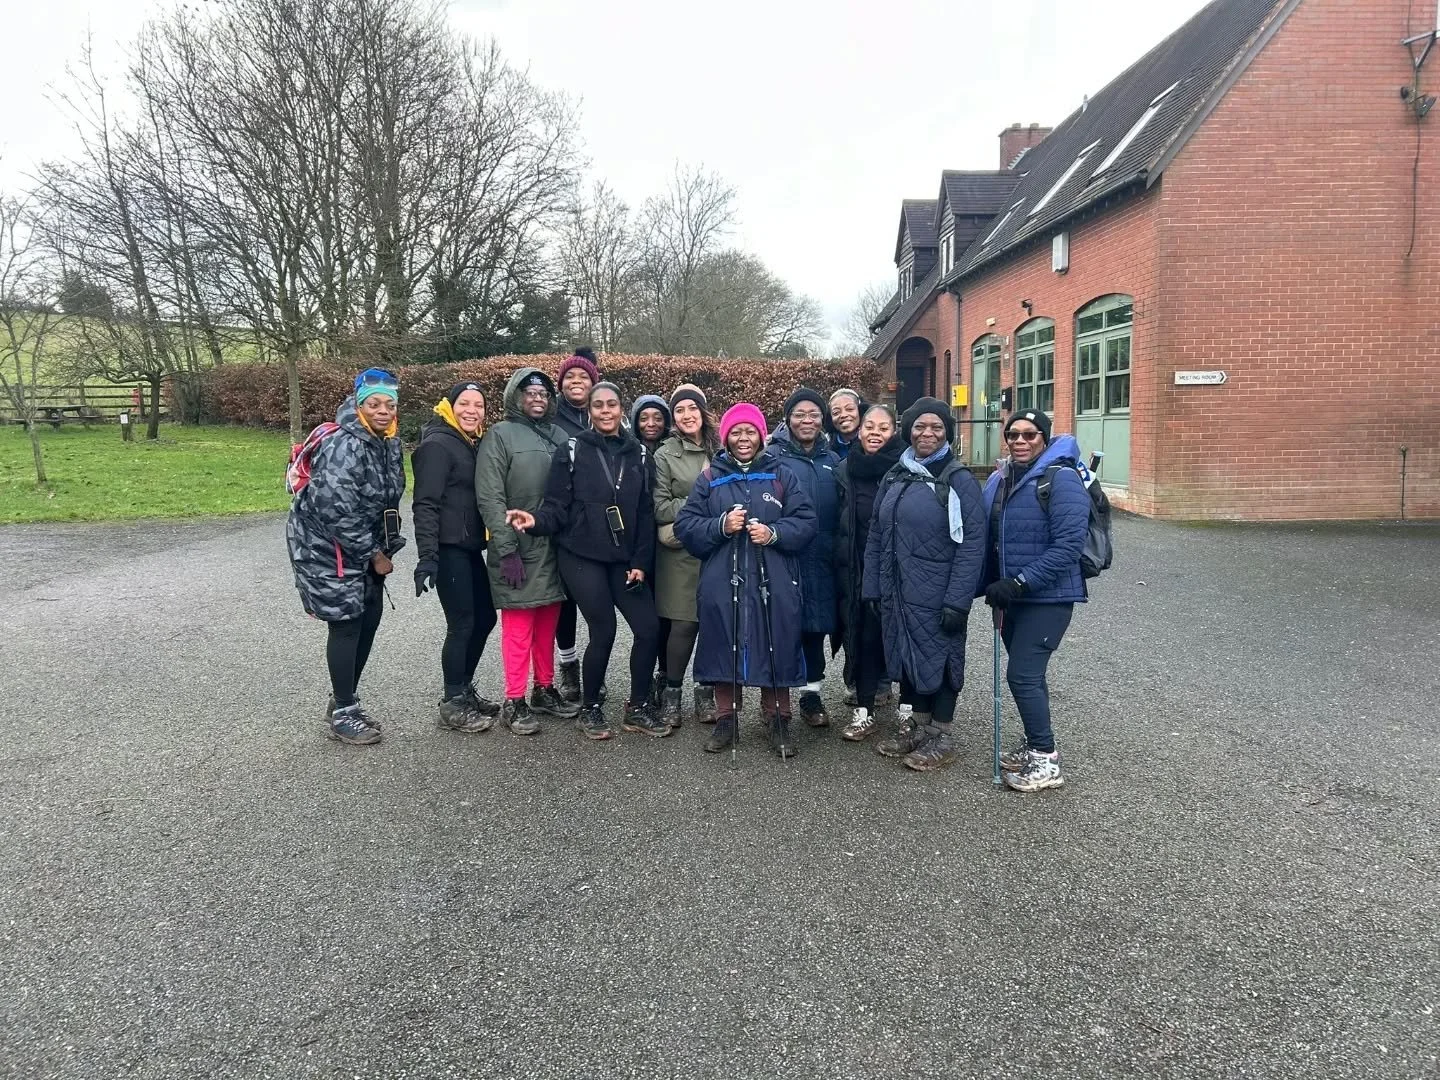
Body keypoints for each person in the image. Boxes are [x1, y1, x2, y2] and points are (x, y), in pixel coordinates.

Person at [505, 382, 669, 741]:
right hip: (581, 556)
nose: (606, 411)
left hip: (624, 558)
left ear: (621, 408)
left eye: (612, 404)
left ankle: (637, 707)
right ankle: (591, 707)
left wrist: (640, 561)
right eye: (598, 406)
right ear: (590, 411)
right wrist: (535, 522)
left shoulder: (639, 454)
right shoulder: (573, 449)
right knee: (604, 629)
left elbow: (645, 513)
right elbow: (555, 507)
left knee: (648, 629)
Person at [675, 402, 817, 758]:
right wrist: (720, 526)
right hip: (724, 579)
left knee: (777, 639)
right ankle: (727, 717)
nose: (743, 438)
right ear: (725, 437)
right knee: (726, 638)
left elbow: (806, 521)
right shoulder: (710, 477)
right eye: (735, 432)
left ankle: (778, 717)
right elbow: (686, 526)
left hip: (776, 578)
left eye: (749, 431)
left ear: (760, 435)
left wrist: (774, 532)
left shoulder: (782, 474)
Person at [863, 396, 987, 772]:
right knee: (908, 654)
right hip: (898, 587)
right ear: (909, 431)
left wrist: (959, 600)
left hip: (940, 590)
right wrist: (872, 585)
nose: (927, 433)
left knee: (943, 658)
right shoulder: (897, 474)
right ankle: (918, 728)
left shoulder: (958, 480)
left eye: (936, 427)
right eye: (919, 426)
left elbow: (973, 544)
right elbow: (876, 533)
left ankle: (942, 734)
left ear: (947, 433)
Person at [286, 368, 406, 746]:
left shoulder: (387, 441)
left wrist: (384, 544)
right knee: (347, 623)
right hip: (326, 548)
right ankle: (343, 712)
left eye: (389, 404)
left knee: (369, 616)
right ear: (359, 403)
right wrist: (372, 554)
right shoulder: (346, 443)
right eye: (374, 403)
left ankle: (344, 700)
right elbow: (333, 508)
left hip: (364, 545)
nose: (383, 410)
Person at [980, 409, 1089, 792]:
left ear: (1044, 438)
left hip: (1048, 598)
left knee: (1022, 675)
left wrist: (1021, 582)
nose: (1020, 441)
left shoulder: (1061, 479)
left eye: (1030, 434)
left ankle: (1046, 760)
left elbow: (1068, 547)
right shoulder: (1003, 478)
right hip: (1013, 598)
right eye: (1013, 435)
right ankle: (1033, 745)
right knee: (1029, 676)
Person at [473, 367, 580, 734]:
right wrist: (505, 549)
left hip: (555, 547)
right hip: (518, 547)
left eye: (543, 393)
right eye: (529, 392)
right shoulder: (500, 436)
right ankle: (514, 698)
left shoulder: (559, 435)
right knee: (519, 625)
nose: (537, 398)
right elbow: (490, 496)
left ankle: (544, 687)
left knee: (548, 622)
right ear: (515, 397)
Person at [412, 381, 501, 734]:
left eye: (478, 405)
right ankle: (452, 701)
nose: (472, 410)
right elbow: (425, 503)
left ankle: (463, 689)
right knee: (463, 623)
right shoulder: (437, 445)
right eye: (464, 403)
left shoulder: (467, 443)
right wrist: (428, 557)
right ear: (449, 406)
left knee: (484, 619)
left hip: (468, 547)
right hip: (448, 549)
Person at [768, 387, 840, 728]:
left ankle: (811, 695)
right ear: (788, 420)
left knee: (815, 629)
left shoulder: (833, 460)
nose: (807, 420)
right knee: (782, 627)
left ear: (822, 420)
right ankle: (777, 701)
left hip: (824, 557)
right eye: (799, 414)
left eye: (813, 414)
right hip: (786, 554)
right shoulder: (773, 458)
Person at [833, 404, 904, 741]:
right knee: (864, 638)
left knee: (901, 640)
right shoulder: (845, 469)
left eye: (884, 427)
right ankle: (864, 711)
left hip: (899, 570)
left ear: (894, 432)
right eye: (869, 426)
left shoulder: (907, 468)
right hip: (858, 567)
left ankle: (908, 712)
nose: (875, 432)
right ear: (859, 430)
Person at [652, 384, 719, 728]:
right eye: (679, 410)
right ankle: (672, 693)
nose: (687, 415)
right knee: (683, 624)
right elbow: (660, 506)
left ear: (703, 411)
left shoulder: (722, 448)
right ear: (673, 418)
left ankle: (705, 692)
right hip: (680, 553)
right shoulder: (664, 455)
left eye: (692, 408)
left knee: (712, 624)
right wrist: (701, 503)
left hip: (719, 550)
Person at [551, 347, 601, 702]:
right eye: (570, 376)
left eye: (584, 376)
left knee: (598, 603)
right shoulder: (551, 420)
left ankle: (594, 668)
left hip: (597, 526)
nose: (577, 381)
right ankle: (568, 666)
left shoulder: (605, 415)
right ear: (562, 384)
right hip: (562, 524)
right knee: (565, 601)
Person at [630, 393, 672, 708]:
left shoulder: (671, 451)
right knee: (648, 621)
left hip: (670, 547)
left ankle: (665, 674)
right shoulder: (629, 452)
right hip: (638, 547)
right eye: (644, 418)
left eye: (657, 417)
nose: (651, 423)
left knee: (669, 618)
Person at [826, 388, 865, 461]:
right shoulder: (824, 447)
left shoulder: (873, 442)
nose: (843, 415)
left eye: (850, 409)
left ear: (860, 411)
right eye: (836, 413)